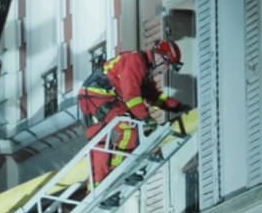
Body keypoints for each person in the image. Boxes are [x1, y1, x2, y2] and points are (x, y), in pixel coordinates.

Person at [78, 40, 192, 189]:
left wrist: (176, 106)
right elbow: (131, 98)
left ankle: (105, 180)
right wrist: (145, 119)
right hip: (97, 97)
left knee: (102, 142)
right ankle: (118, 171)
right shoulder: (135, 62)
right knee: (128, 127)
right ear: (158, 57)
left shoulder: (143, 70)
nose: (164, 70)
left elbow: (153, 96)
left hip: (97, 97)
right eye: (166, 65)